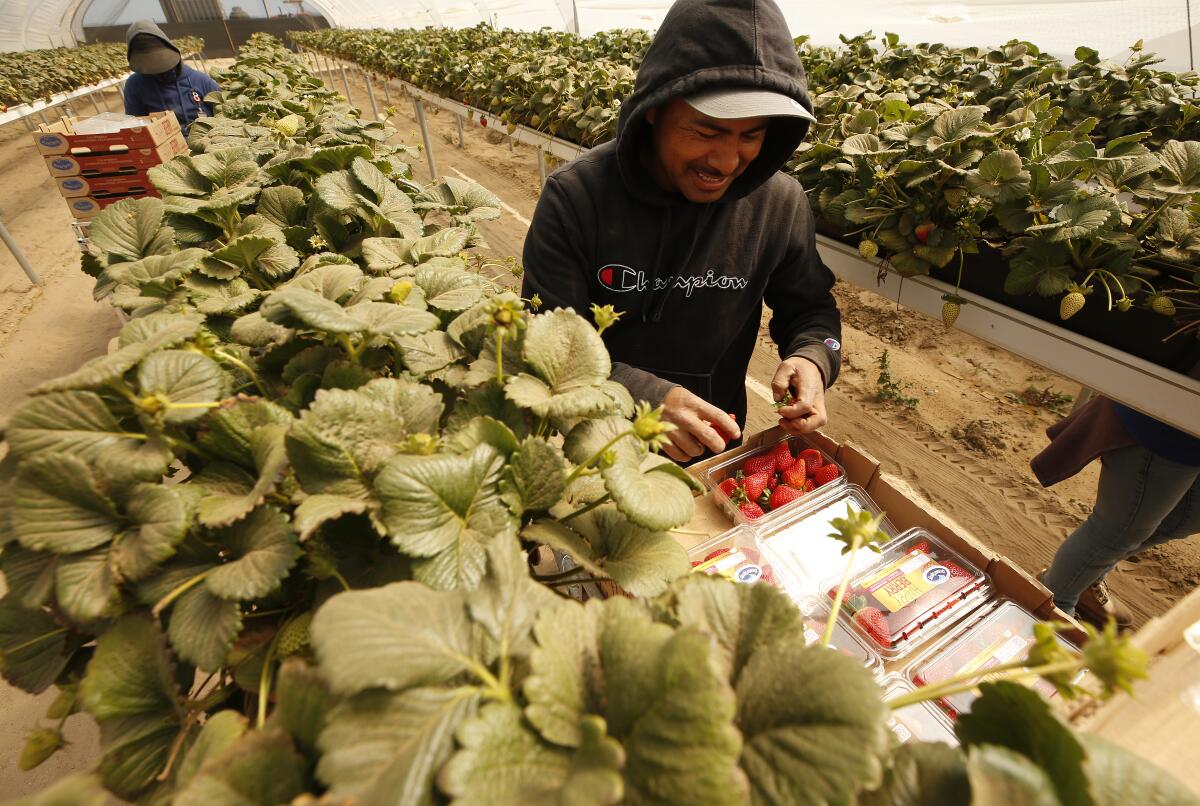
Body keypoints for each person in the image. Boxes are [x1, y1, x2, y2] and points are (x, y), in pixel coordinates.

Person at [520, 0, 841, 465]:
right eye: (707, 131)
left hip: (714, 446)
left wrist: (814, 357)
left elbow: (814, 313)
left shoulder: (779, 203)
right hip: (598, 447)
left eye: (751, 136)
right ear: (654, 109)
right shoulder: (577, 198)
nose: (727, 162)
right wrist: (640, 396)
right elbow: (546, 340)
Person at [1031, 378, 1200, 629]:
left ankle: (1083, 578)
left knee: (1182, 521)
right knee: (1118, 530)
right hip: (1167, 425)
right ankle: (1052, 605)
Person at [123, 21, 218, 136]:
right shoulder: (135, 85)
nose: (159, 71)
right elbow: (137, 127)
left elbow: (225, 118)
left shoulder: (201, 81)